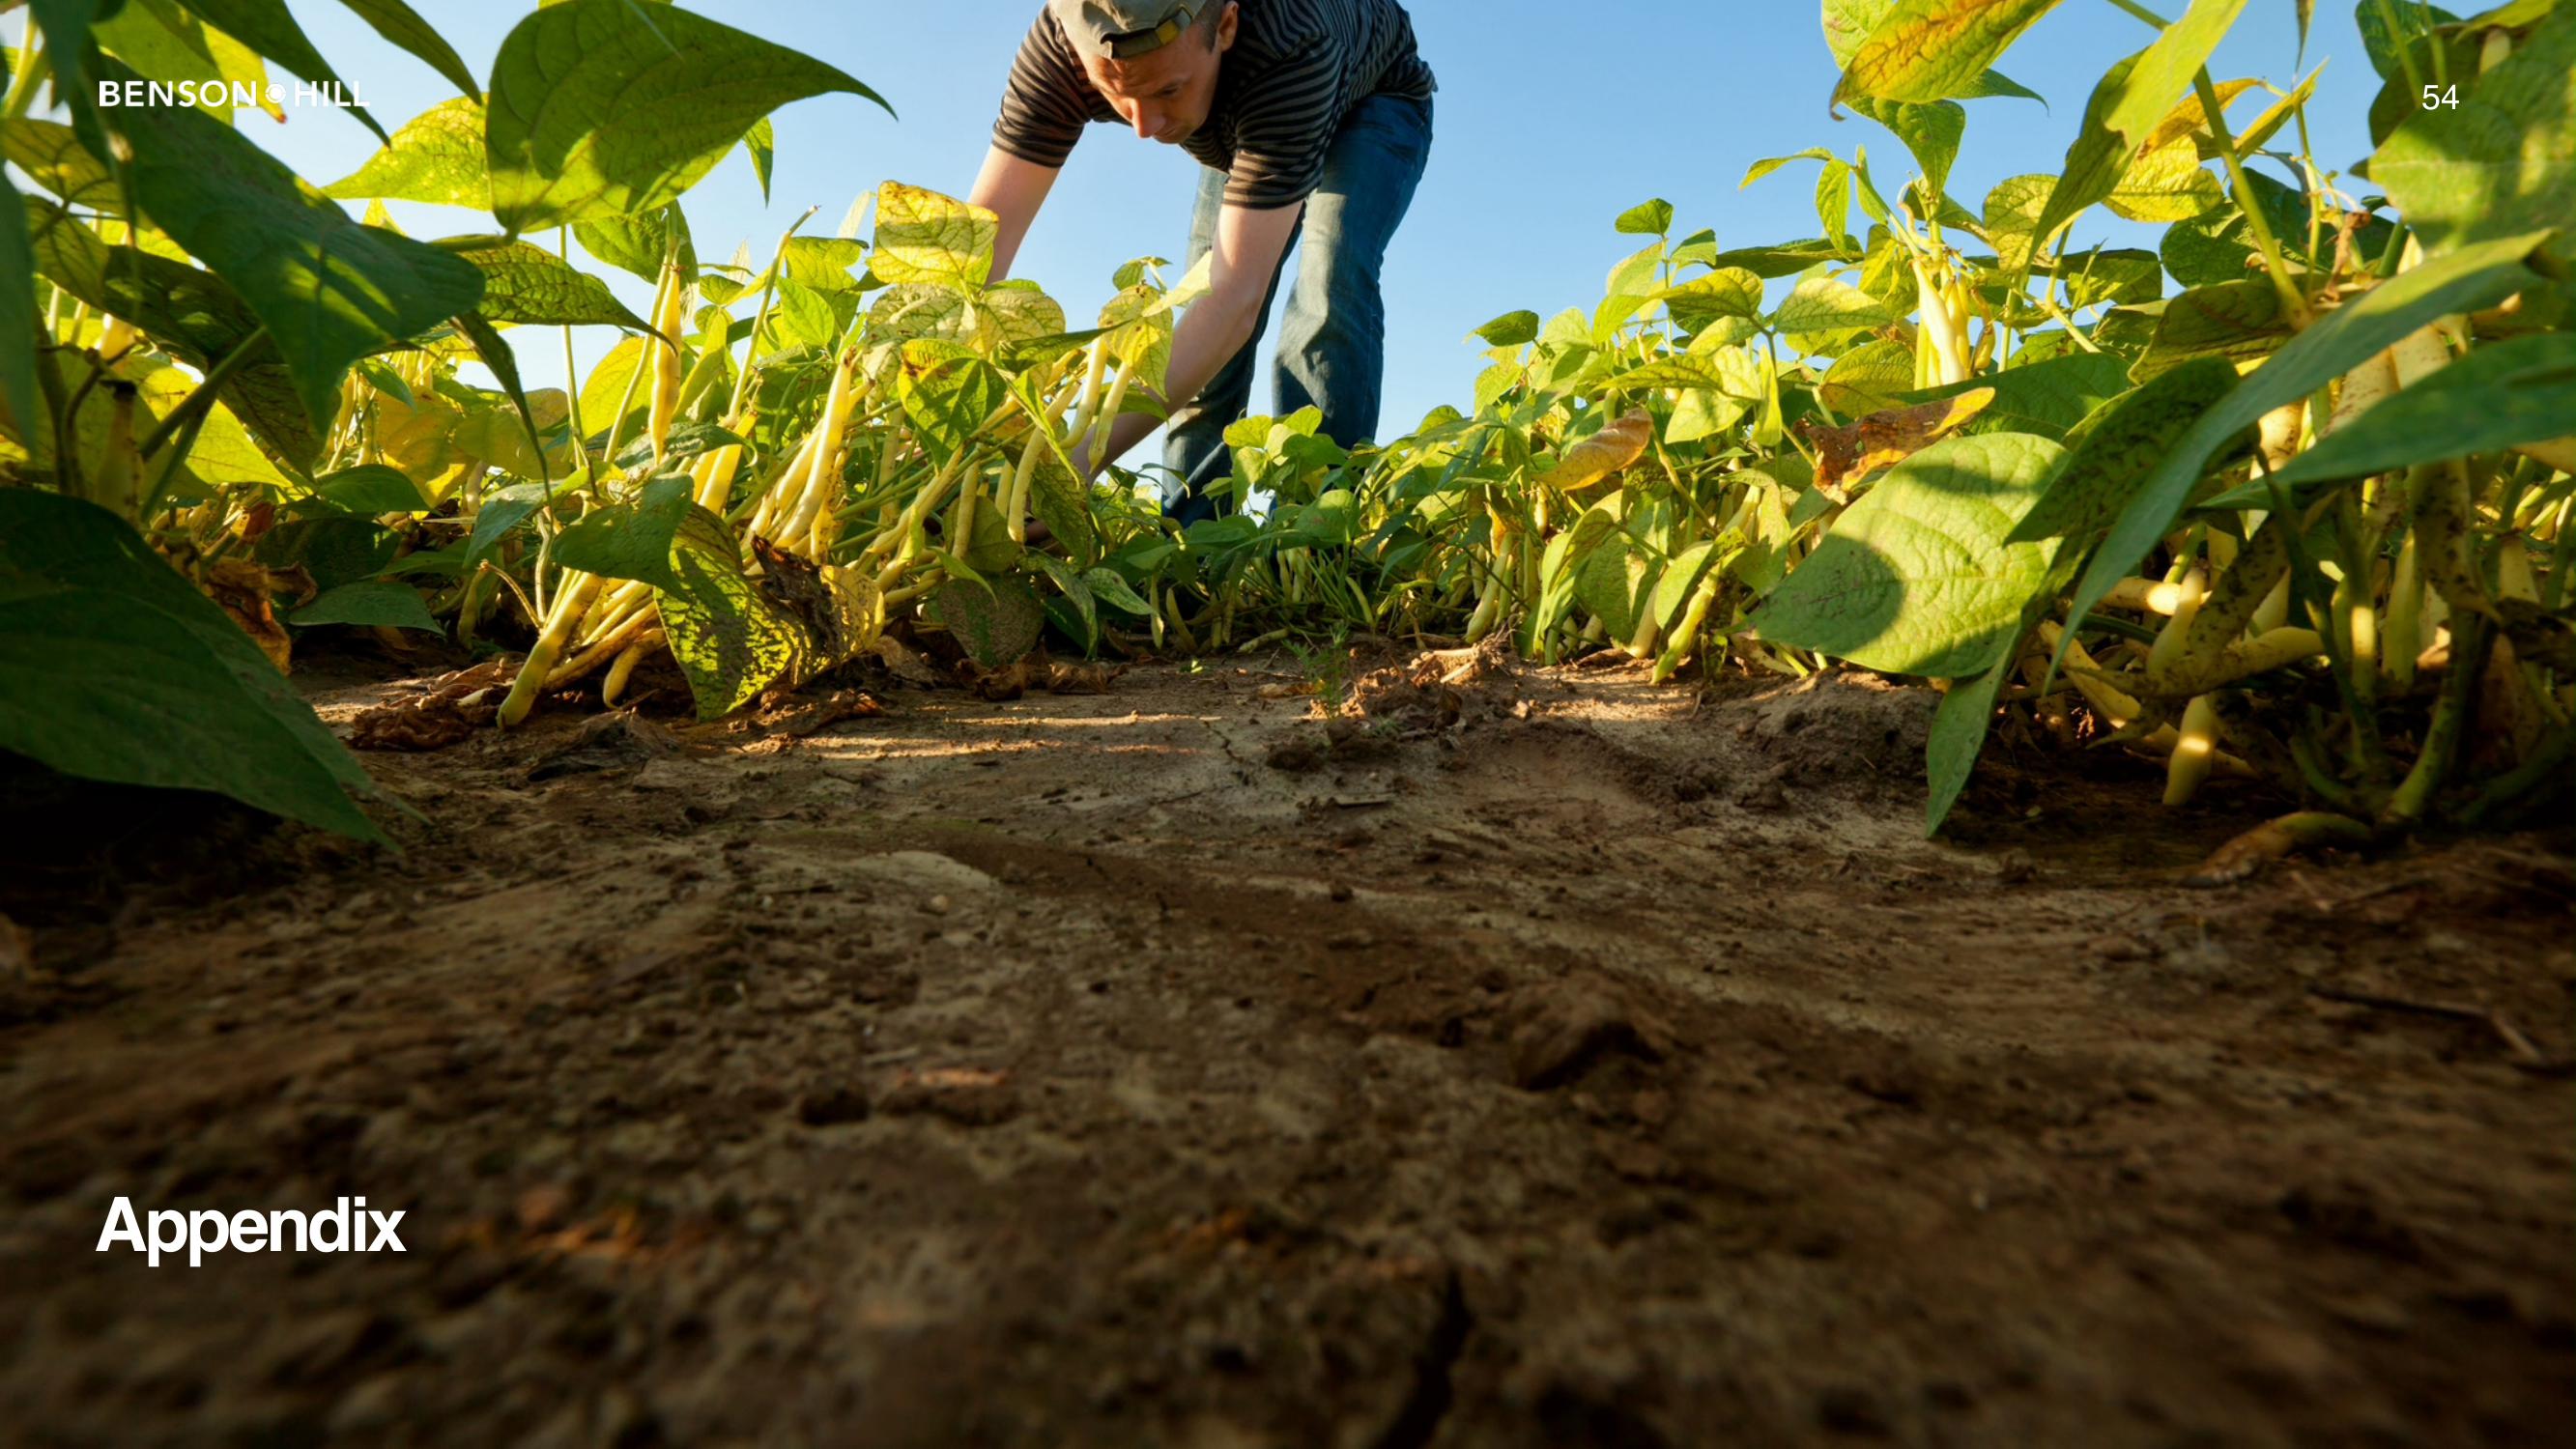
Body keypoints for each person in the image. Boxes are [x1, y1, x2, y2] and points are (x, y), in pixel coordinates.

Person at [968, 0, 1435, 524]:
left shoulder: (1291, 43)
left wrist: (1075, 462)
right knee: (1197, 319)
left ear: (1227, 25)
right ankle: (1190, 538)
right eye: (1116, 91)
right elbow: (980, 243)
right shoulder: (1062, 42)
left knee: (1329, 278)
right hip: (1238, 121)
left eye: (1168, 89)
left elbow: (1235, 297)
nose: (1145, 126)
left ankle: (1316, 532)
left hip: (1368, 102)